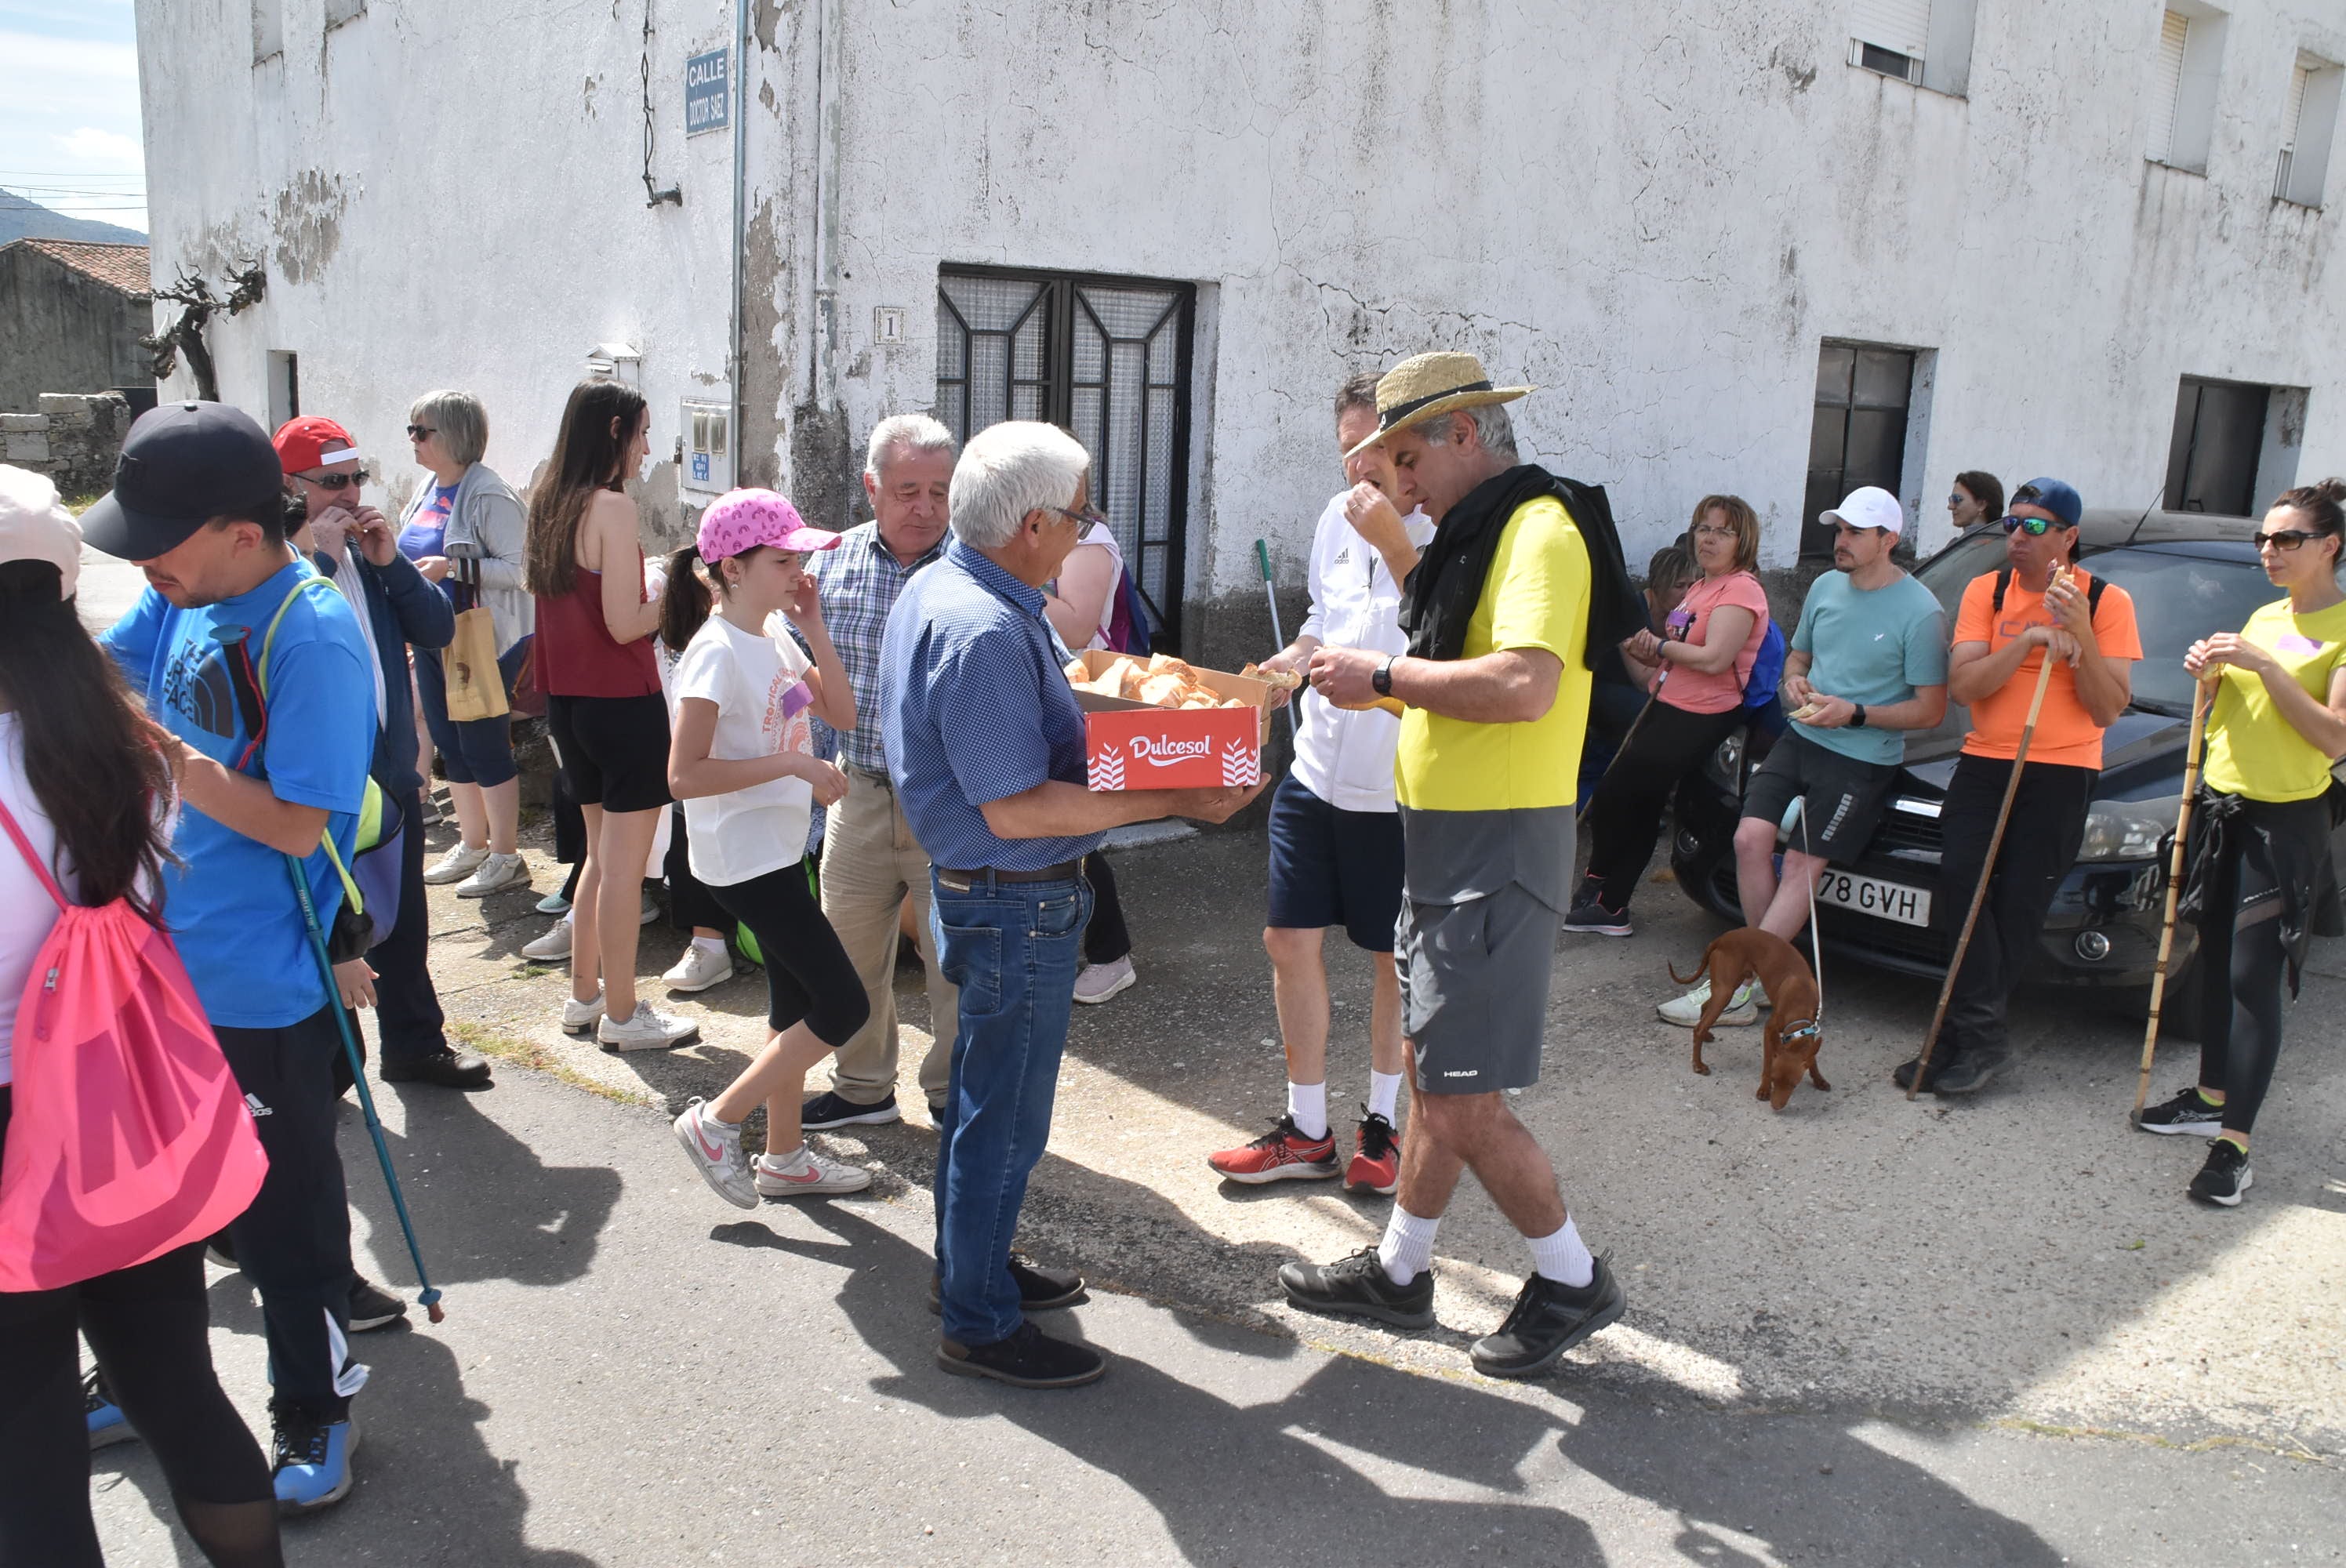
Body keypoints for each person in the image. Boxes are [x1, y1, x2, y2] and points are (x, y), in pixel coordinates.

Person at [1279, 351, 1645, 1379]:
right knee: (1446, 1083)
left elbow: (1525, 685)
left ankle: (1572, 1279)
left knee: (1464, 1104)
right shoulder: (1487, 536)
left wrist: (1385, 672)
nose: (1399, 485)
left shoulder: (1538, 529)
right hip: (1450, 840)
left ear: (1464, 436)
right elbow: (1465, 677)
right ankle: (1401, 1273)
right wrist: (1380, 692)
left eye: (1406, 457)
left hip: (1496, 845)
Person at [883, 421, 1258, 1389]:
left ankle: (974, 1269)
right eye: (1084, 511)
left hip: (1001, 898)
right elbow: (1014, 807)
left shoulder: (960, 586)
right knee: (1003, 1117)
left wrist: (1158, 747)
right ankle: (976, 1319)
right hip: (1013, 900)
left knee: (988, 1105)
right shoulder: (982, 627)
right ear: (1035, 524)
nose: (1091, 528)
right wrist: (1179, 793)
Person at [89, 402, 378, 1512]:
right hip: (151, 964)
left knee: (275, 1218)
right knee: (141, 1196)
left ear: (242, 531)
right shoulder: (184, 599)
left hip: (263, 986)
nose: (143, 563)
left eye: (160, 539)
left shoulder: (307, 630)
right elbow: (108, 675)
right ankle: (139, 1373)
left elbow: (305, 824)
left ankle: (315, 1404)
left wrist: (168, 757)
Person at [0, 466, 286, 1566]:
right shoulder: (122, 754)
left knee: (26, 1438)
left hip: (12, 1134)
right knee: (174, 1383)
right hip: (120, 1113)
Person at [1206, 373, 1431, 1192]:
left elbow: (1448, 633)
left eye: (1374, 446)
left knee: (1386, 957)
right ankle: (1306, 1129)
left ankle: (1382, 1125)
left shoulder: (1444, 530)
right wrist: (1283, 668)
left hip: (1395, 785)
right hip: (1315, 770)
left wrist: (1398, 541)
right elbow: (1319, 625)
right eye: (1347, 450)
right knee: (1285, 938)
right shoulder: (1333, 519)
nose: (1359, 467)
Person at [1660, 487, 1948, 1026]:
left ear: (1889, 540)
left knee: (1800, 865)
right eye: (1838, 530)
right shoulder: (1824, 587)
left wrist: (1855, 713)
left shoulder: (1921, 612)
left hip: (1861, 757)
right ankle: (1770, 977)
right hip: (1803, 736)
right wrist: (1795, 683)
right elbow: (1798, 658)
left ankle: (1739, 983)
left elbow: (1931, 709)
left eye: (1854, 533)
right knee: (1748, 840)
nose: (1840, 541)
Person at [662, 490, 877, 1204]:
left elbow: (840, 713)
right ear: (730, 568)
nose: (798, 572)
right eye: (783, 561)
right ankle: (718, 1120)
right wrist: (793, 765)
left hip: (778, 851)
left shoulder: (774, 636)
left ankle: (784, 1157)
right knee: (843, 1007)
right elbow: (683, 775)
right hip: (744, 862)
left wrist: (812, 624)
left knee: (794, 1006)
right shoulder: (715, 655)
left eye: (799, 559)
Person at [2137, 478, 2346, 1207]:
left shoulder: (2343, 628)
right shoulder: (2262, 615)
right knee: (2219, 960)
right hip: (2222, 806)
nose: (2269, 551)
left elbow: (2333, 735)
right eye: (2264, 538)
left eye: (2286, 539)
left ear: (2329, 546)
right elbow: (2227, 715)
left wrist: (2264, 668)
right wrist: (2210, 676)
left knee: (2255, 980)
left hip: (2284, 820)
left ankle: (2236, 1147)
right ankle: (2210, 1095)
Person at [1896, 478, 2139, 1094]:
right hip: (1987, 759)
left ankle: (1961, 1036)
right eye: (2011, 524)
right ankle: (1980, 1036)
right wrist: (2029, 641)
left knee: (2018, 905)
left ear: (2068, 536)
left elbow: (2108, 709)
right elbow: (1965, 685)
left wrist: (2079, 632)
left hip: (2062, 768)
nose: (2018, 537)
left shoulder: (2108, 601)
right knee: (1962, 886)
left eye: (2035, 527)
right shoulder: (1990, 589)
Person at [274, 416, 493, 1093]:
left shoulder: (369, 559)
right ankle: (335, 1065)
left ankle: (415, 1045)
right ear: (288, 487)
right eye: (329, 482)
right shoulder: (281, 565)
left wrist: (389, 560)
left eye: (355, 478)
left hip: (388, 773)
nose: (347, 494)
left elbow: (434, 628)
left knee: (403, 924)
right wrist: (319, 558)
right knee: (327, 923)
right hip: (324, 778)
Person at [797, 415, 961, 1131]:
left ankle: (955, 1096)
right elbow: (801, 678)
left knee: (954, 967)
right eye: (906, 491)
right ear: (871, 488)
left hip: (950, 803)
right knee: (848, 952)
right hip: (857, 791)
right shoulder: (829, 563)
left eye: (938, 490)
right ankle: (862, 1088)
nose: (924, 507)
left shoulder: (975, 567)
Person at [525, 378, 697, 1051]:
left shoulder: (549, 497)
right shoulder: (611, 507)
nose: (649, 448)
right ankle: (624, 1016)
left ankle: (585, 997)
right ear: (614, 431)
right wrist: (690, 595)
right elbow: (627, 624)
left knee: (601, 857)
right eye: (643, 432)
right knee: (624, 869)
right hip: (623, 708)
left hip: (567, 706)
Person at [1568, 495, 1770, 937]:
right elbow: (1669, 665)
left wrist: (1658, 646)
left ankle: (1610, 901)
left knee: (1627, 795)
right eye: (1703, 528)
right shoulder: (1701, 587)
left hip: (1702, 713)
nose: (1709, 539)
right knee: (1625, 799)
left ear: (1744, 540)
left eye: (1722, 531)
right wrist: (1636, 645)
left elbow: (1715, 658)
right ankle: (1601, 892)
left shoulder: (1741, 590)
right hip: (1668, 703)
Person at [401, 390, 534, 898]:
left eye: (422, 431)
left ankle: (506, 855)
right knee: (449, 743)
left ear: (452, 435)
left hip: (479, 639)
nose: (413, 440)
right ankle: (473, 844)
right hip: (435, 635)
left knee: (483, 746)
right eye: (412, 430)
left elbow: (523, 568)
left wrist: (455, 567)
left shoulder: (490, 495)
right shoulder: (429, 486)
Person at [1041, 507, 1144, 1006]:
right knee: (1054, 825)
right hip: (1043, 692)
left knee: (1072, 826)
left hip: (1079, 698)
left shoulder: (1090, 541)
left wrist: (1005, 577)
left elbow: (1078, 628)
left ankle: (1111, 953)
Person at [1949, 470, 2004, 539]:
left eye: (1957, 499)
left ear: (1981, 505)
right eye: (1951, 500)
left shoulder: (1983, 545)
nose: (1950, 506)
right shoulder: (1999, 540)